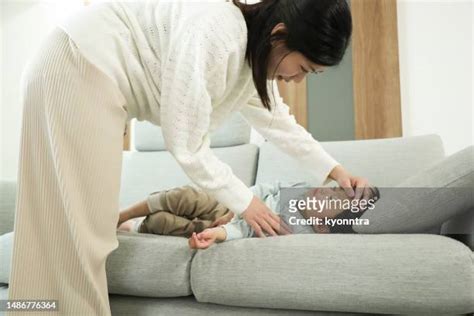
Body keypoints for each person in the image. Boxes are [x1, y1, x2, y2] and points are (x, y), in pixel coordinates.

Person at [8, 0, 372, 314]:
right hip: (78, 67)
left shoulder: (249, 63)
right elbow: (185, 143)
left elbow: (280, 123)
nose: (297, 80)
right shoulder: (219, 36)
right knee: (80, 238)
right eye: (304, 69)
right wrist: (247, 203)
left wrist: (336, 172)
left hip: (83, 72)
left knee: (64, 232)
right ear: (279, 34)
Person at [117, 182, 380, 249]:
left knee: (163, 223)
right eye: (333, 189)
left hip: (232, 225)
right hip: (232, 204)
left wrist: (218, 233)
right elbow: (266, 187)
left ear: (322, 228)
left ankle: (133, 227)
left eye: (333, 199)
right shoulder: (300, 189)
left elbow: (246, 231)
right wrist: (239, 205)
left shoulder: (295, 230)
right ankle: (122, 214)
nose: (325, 192)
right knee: (185, 196)